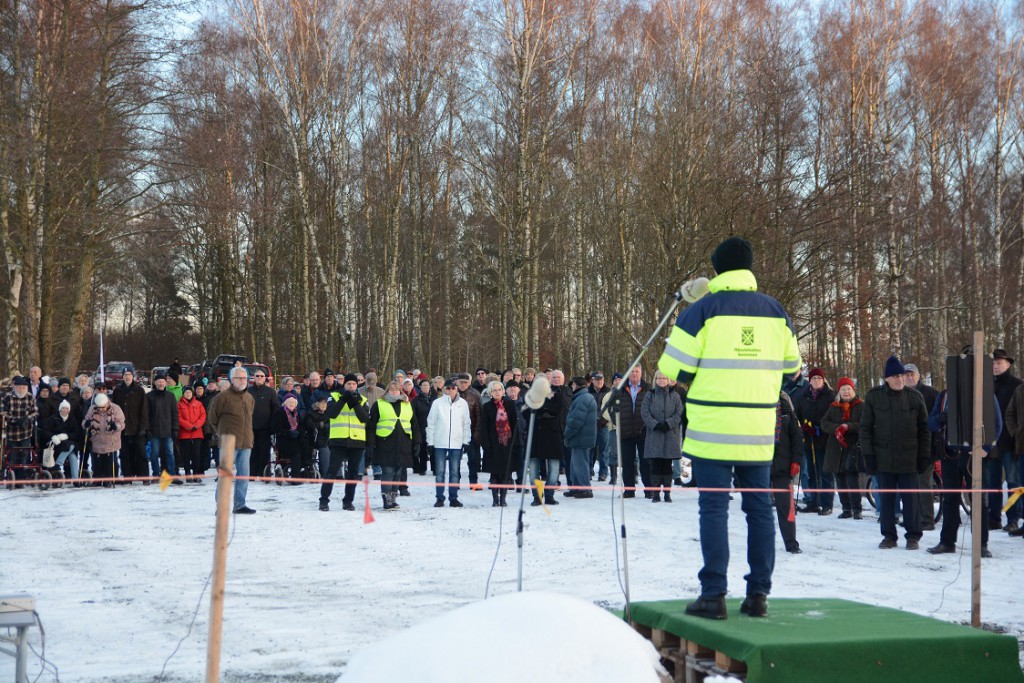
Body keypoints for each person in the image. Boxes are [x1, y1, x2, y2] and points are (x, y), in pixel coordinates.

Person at [656, 236, 801, 619]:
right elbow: (793, 370)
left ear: (717, 269)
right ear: (750, 267)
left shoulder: (703, 310)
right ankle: (758, 596)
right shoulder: (776, 311)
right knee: (759, 508)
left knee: (714, 509)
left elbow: (672, 369)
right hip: (757, 428)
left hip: (712, 429)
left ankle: (714, 595)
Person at [860, 355, 930, 550]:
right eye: (896, 376)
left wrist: (924, 455)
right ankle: (889, 536)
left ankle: (913, 536)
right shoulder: (874, 396)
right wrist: (869, 456)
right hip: (883, 459)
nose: (900, 379)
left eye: (903, 375)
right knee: (887, 501)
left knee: (911, 501)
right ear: (887, 379)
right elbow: (865, 429)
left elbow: (924, 429)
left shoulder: (915, 397)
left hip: (910, 459)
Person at [927, 369, 999, 556]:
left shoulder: (984, 395)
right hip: (950, 455)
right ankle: (947, 541)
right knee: (950, 499)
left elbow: (996, 423)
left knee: (978, 500)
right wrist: (940, 419)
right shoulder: (943, 396)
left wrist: (987, 448)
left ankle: (981, 544)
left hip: (973, 456)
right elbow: (930, 423)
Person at [207, 366, 257, 514]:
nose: (242, 380)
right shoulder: (222, 397)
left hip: (246, 442)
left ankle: (240, 505)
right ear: (231, 379)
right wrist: (222, 432)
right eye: (238, 378)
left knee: (243, 475)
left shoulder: (249, 398)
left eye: (244, 378)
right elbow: (212, 418)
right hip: (229, 443)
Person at [366, 381, 419, 510]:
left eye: (397, 390)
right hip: (385, 442)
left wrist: (417, 441)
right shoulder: (379, 404)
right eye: (392, 390)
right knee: (388, 471)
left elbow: (414, 424)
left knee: (398, 471)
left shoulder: (407, 404)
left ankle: (393, 497)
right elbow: (371, 425)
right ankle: (387, 498)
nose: (395, 392)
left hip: (403, 442)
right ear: (387, 391)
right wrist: (371, 442)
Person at [320, 373, 369, 511]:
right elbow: (331, 414)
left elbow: (364, 418)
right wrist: (343, 400)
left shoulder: (363, 399)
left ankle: (348, 501)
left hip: (357, 440)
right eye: (349, 384)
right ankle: (324, 500)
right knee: (332, 471)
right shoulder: (334, 396)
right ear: (344, 385)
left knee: (353, 473)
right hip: (338, 440)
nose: (351, 386)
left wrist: (354, 403)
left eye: (354, 384)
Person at [903, 363, 941, 530]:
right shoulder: (900, 394)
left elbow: (938, 419)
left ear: (918, 376)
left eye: (912, 374)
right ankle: (913, 517)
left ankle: (927, 519)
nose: (910, 377)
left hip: (927, 447)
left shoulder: (931, 394)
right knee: (910, 485)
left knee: (923, 483)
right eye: (907, 375)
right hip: (907, 449)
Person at [821, 377, 865, 519]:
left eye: (848, 389)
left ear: (853, 390)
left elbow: (864, 424)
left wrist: (849, 426)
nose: (846, 392)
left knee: (852, 479)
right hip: (836, 448)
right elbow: (824, 423)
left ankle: (856, 508)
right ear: (839, 392)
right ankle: (846, 508)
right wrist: (836, 428)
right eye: (843, 389)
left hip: (852, 447)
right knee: (839, 479)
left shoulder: (860, 406)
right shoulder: (834, 406)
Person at [988, 349, 1021, 532]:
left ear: (1008, 364)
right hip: (992, 443)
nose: (995, 366)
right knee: (992, 482)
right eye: (993, 363)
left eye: (999, 363)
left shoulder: (1017, 386)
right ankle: (993, 518)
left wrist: (1017, 437)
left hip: (1010, 442)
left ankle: (1013, 518)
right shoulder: (986, 385)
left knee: (1013, 481)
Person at [426, 378, 472, 507]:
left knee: (454, 472)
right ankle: (439, 497)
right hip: (440, 442)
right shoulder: (437, 403)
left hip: (456, 443)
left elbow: (466, 423)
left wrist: (466, 441)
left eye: (453, 388)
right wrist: (430, 442)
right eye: (448, 388)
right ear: (443, 389)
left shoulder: (462, 404)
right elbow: (431, 423)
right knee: (440, 472)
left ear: (457, 389)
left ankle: (453, 497)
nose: (451, 390)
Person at [796, 368, 836, 514]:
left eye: (819, 378)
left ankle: (827, 504)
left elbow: (833, 417)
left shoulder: (830, 396)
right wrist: (804, 427)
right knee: (812, 473)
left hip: (824, 440)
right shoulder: (804, 397)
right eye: (814, 378)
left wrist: (820, 428)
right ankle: (814, 501)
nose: (816, 381)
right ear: (810, 380)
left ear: (823, 380)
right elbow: (798, 417)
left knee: (825, 472)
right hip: (809, 440)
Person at [641, 371, 684, 503]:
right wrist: (655, 424)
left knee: (667, 464)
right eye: (658, 378)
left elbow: (679, 413)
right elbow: (644, 412)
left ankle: (667, 493)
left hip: (670, 435)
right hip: (654, 434)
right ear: (655, 380)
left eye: (663, 378)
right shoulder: (650, 395)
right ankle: (656, 493)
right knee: (655, 464)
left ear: (668, 380)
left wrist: (668, 423)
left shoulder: (675, 396)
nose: (661, 380)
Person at [523, 377, 565, 507]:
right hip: (534, 435)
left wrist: (540, 407)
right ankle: (537, 496)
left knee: (554, 469)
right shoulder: (529, 395)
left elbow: (556, 409)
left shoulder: (557, 395)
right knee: (534, 469)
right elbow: (526, 412)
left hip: (552, 436)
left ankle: (549, 495)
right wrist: (543, 410)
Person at [770, 392, 803, 553]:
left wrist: (796, 461)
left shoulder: (785, 406)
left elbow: (797, 437)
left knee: (786, 506)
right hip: (758, 466)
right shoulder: (751, 404)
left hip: (782, 465)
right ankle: (760, 542)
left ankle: (791, 543)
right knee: (758, 507)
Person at [480, 381, 520, 506]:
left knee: (506, 472)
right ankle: (495, 499)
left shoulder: (510, 404)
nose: (497, 392)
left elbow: (514, 424)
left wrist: (515, 442)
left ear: (503, 391)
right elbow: (484, 427)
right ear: (490, 393)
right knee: (494, 472)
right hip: (493, 444)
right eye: (494, 390)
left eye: (499, 389)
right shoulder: (487, 406)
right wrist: (486, 444)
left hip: (507, 443)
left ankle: (503, 499)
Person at [563, 376, 598, 499]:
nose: (571, 387)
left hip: (581, 437)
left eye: (572, 385)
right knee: (575, 464)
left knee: (580, 464)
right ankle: (576, 487)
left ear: (577, 386)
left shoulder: (583, 399)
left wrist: (566, 433)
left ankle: (585, 489)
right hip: (580, 438)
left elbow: (576, 421)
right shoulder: (583, 397)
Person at [617, 365, 649, 498]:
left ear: (641, 373)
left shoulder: (648, 388)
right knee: (627, 462)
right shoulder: (621, 389)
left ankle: (649, 489)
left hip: (644, 431)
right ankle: (629, 490)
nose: (634, 374)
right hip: (626, 431)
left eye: (637, 371)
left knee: (646, 462)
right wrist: (619, 422)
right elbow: (613, 409)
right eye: (632, 372)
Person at [112, 370, 148, 483]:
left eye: (129, 375)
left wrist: (143, 427)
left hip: (137, 427)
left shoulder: (139, 390)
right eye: (125, 375)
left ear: (133, 377)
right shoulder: (117, 390)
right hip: (122, 428)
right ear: (122, 377)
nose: (127, 377)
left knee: (141, 453)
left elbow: (144, 410)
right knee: (125, 454)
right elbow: (114, 408)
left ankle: (144, 477)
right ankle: (128, 477)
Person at [82, 393, 125, 487]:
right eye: (99, 407)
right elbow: (85, 421)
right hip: (97, 438)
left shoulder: (115, 408)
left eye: (103, 407)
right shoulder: (92, 408)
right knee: (97, 461)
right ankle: (97, 479)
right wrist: (86, 424)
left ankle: (108, 479)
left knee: (109, 461)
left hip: (111, 438)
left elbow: (122, 423)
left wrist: (115, 426)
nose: (101, 409)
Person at [2, 376, 39, 481]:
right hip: (11, 432)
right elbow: (3, 412)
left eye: (23, 387)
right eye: (19, 387)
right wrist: (15, 420)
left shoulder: (30, 397)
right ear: (15, 387)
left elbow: (35, 412)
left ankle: (22, 477)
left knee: (24, 455)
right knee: (12, 456)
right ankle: (12, 476)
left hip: (26, 432)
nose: (21, 389)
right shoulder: (7, 397)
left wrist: (27, 419)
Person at [148, 374, 182, 484]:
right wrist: (147, 429)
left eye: (163, 381)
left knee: (170, 453)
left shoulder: (170, 396)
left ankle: (172, 475)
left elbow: (174, 414)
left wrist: (175, 428)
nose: (161, 383)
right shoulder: (149, 396)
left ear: (166, 383)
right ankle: (156, 475)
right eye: (159, 381)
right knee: (154, 454)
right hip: (154, 430)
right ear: (155, 383)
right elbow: (146, 414)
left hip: (168, 430)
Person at [42, 400, 84, 485]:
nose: (65, 410)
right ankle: (74, 477)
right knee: (71, 451)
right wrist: (54, 436)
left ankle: (59, 465)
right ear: (60, 409)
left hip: (68, 442)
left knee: (72, 450)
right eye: (63, 408)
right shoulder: (53, 418)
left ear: (69, 410)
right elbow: (45, 431)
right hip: (56, 443)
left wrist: (67, 436)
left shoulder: (72, 419)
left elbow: (76, 433)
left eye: (67, 408)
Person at [249, 367, 279, 482]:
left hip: (266, 427)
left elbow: (276, 409)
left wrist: (273, 425)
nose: (259, 378)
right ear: (253, 378)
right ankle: (252, 473)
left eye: (261, 376)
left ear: (265, 378)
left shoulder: (270, 392)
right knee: (252, 450)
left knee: (264, 451)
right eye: (257, 376)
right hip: (251, 427)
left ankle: (264, 473)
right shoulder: (248, 391)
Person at [272, 395, 310, 479]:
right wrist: (288, 433)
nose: (291, 404)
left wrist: (298, 432)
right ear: (285, 403)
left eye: (293, 402)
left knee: (306, 445)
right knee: (296, 451)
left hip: (296, 438)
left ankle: (304, 469)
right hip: (284, 439)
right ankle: (295, 477)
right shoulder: (280, 412)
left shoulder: (297, 413)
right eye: (289, 402)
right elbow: (276, 427)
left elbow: (302, 427)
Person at [456, 372, 483, 488]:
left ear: (469, 383)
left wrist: (477, 432)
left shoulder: (475, 394)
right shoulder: (452, 393)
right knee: (455, 459)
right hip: (455, 432)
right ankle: (455, 481)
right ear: (457, 382)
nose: (463, 384)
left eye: (465, 382)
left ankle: (473, 481)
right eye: (461, 382)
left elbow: (479, 415)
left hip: (471, 431)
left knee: (473, 459)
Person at [178, 385, 207, 482]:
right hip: (185, 433)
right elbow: (179, 418)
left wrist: (196, 425)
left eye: (190, 392)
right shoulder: (179, 404)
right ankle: (187, 474)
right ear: (183, 394)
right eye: (186, 392)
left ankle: (196, 474)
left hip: (197, 433)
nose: (188, 394)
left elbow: (203, 416)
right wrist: (189, 426)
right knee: (186, 455)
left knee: (196, 455)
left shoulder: (198, 404)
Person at [589, 371, 612, 481]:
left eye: (601, 379)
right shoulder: (587, 392)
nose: (599, 381)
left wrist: (604, 419)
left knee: (604, 450)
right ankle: (588, 470)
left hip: (604, 425)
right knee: (589, 449)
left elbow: (612, 408)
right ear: (592, 380)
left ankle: (603, 472)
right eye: (596, 379)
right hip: (590, 425)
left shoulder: (609, 392)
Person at [411, 379, 434, 474]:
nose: (425, 387)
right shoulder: (416, 400)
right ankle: (422, 468)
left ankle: (435, 468)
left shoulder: (435, 399)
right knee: (422, 449)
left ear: (430, 387)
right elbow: (413, 414)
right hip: (421, 427)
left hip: (433, 428)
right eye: (423, 385)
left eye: (427, 385)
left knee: (433, 448)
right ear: (420, 387)